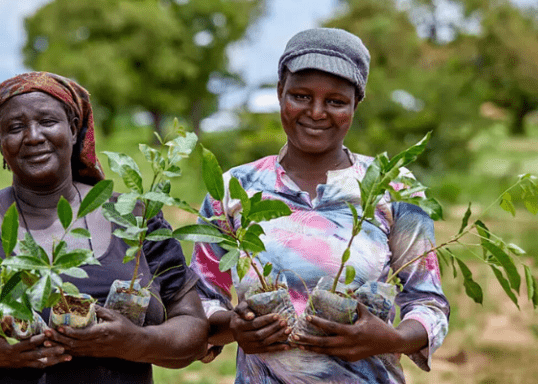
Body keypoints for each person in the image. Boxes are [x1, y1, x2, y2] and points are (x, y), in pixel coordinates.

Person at [0, 72, 208, 383]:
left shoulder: (133, 218)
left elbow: (192, 330)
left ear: (73, 128)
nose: (33, 136)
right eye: (15, 127)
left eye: (48, 121)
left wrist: (134, 341)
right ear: (0, 142)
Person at [191, 28, 450, 383]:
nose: (316, 112)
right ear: (280, 91)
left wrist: (390, 338)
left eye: (335, 101)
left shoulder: (393, 186)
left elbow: (429, 304)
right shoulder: (235, 189)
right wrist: (235, 327)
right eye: (300, 95)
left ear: (356, 104)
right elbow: (200, 303)